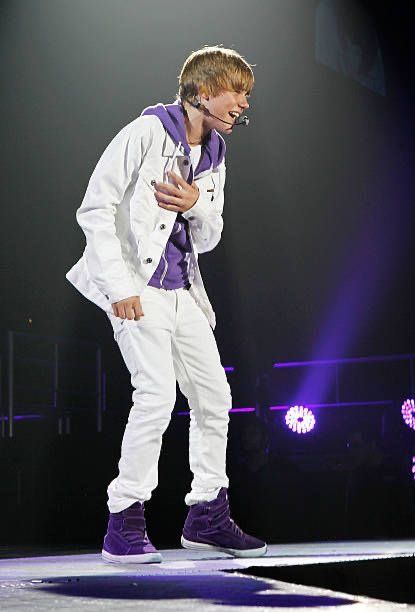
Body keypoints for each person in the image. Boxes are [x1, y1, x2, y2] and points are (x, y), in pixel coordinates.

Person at [66, 45, 267, 563]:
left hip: (183, 293)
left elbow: (210, 238)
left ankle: (206, 515)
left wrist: (197, 205)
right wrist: (120, 287)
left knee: (214, 398)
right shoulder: (145, 133)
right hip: (136, 287)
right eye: (236, 92)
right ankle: (124, 520)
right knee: (154, 396)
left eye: (246, 95)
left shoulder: (216, 154)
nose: (243, 104)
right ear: (204, 91)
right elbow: (95, 208)